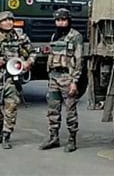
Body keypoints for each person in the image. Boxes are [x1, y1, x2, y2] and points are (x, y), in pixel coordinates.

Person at [0, 11, 34, 149]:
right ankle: (0, 127)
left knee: (11, 107)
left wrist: (27, 63)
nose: (9, 23)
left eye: (11, 20)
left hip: (13, 77)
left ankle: (6, 134)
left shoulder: (21, 37)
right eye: (5, 20)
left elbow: (33, 53)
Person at [38, 8, 83, 152]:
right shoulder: (54, 36)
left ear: (69, 20)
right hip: (54, 77)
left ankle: (72, 139)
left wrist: (74, 81)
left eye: (64, 20)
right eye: (58, 20)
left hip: (67, 77)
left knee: (70, 110)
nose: (61, 23)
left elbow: (78, 59)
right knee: (53, 109)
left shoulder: (75, 36)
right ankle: (53, 137)